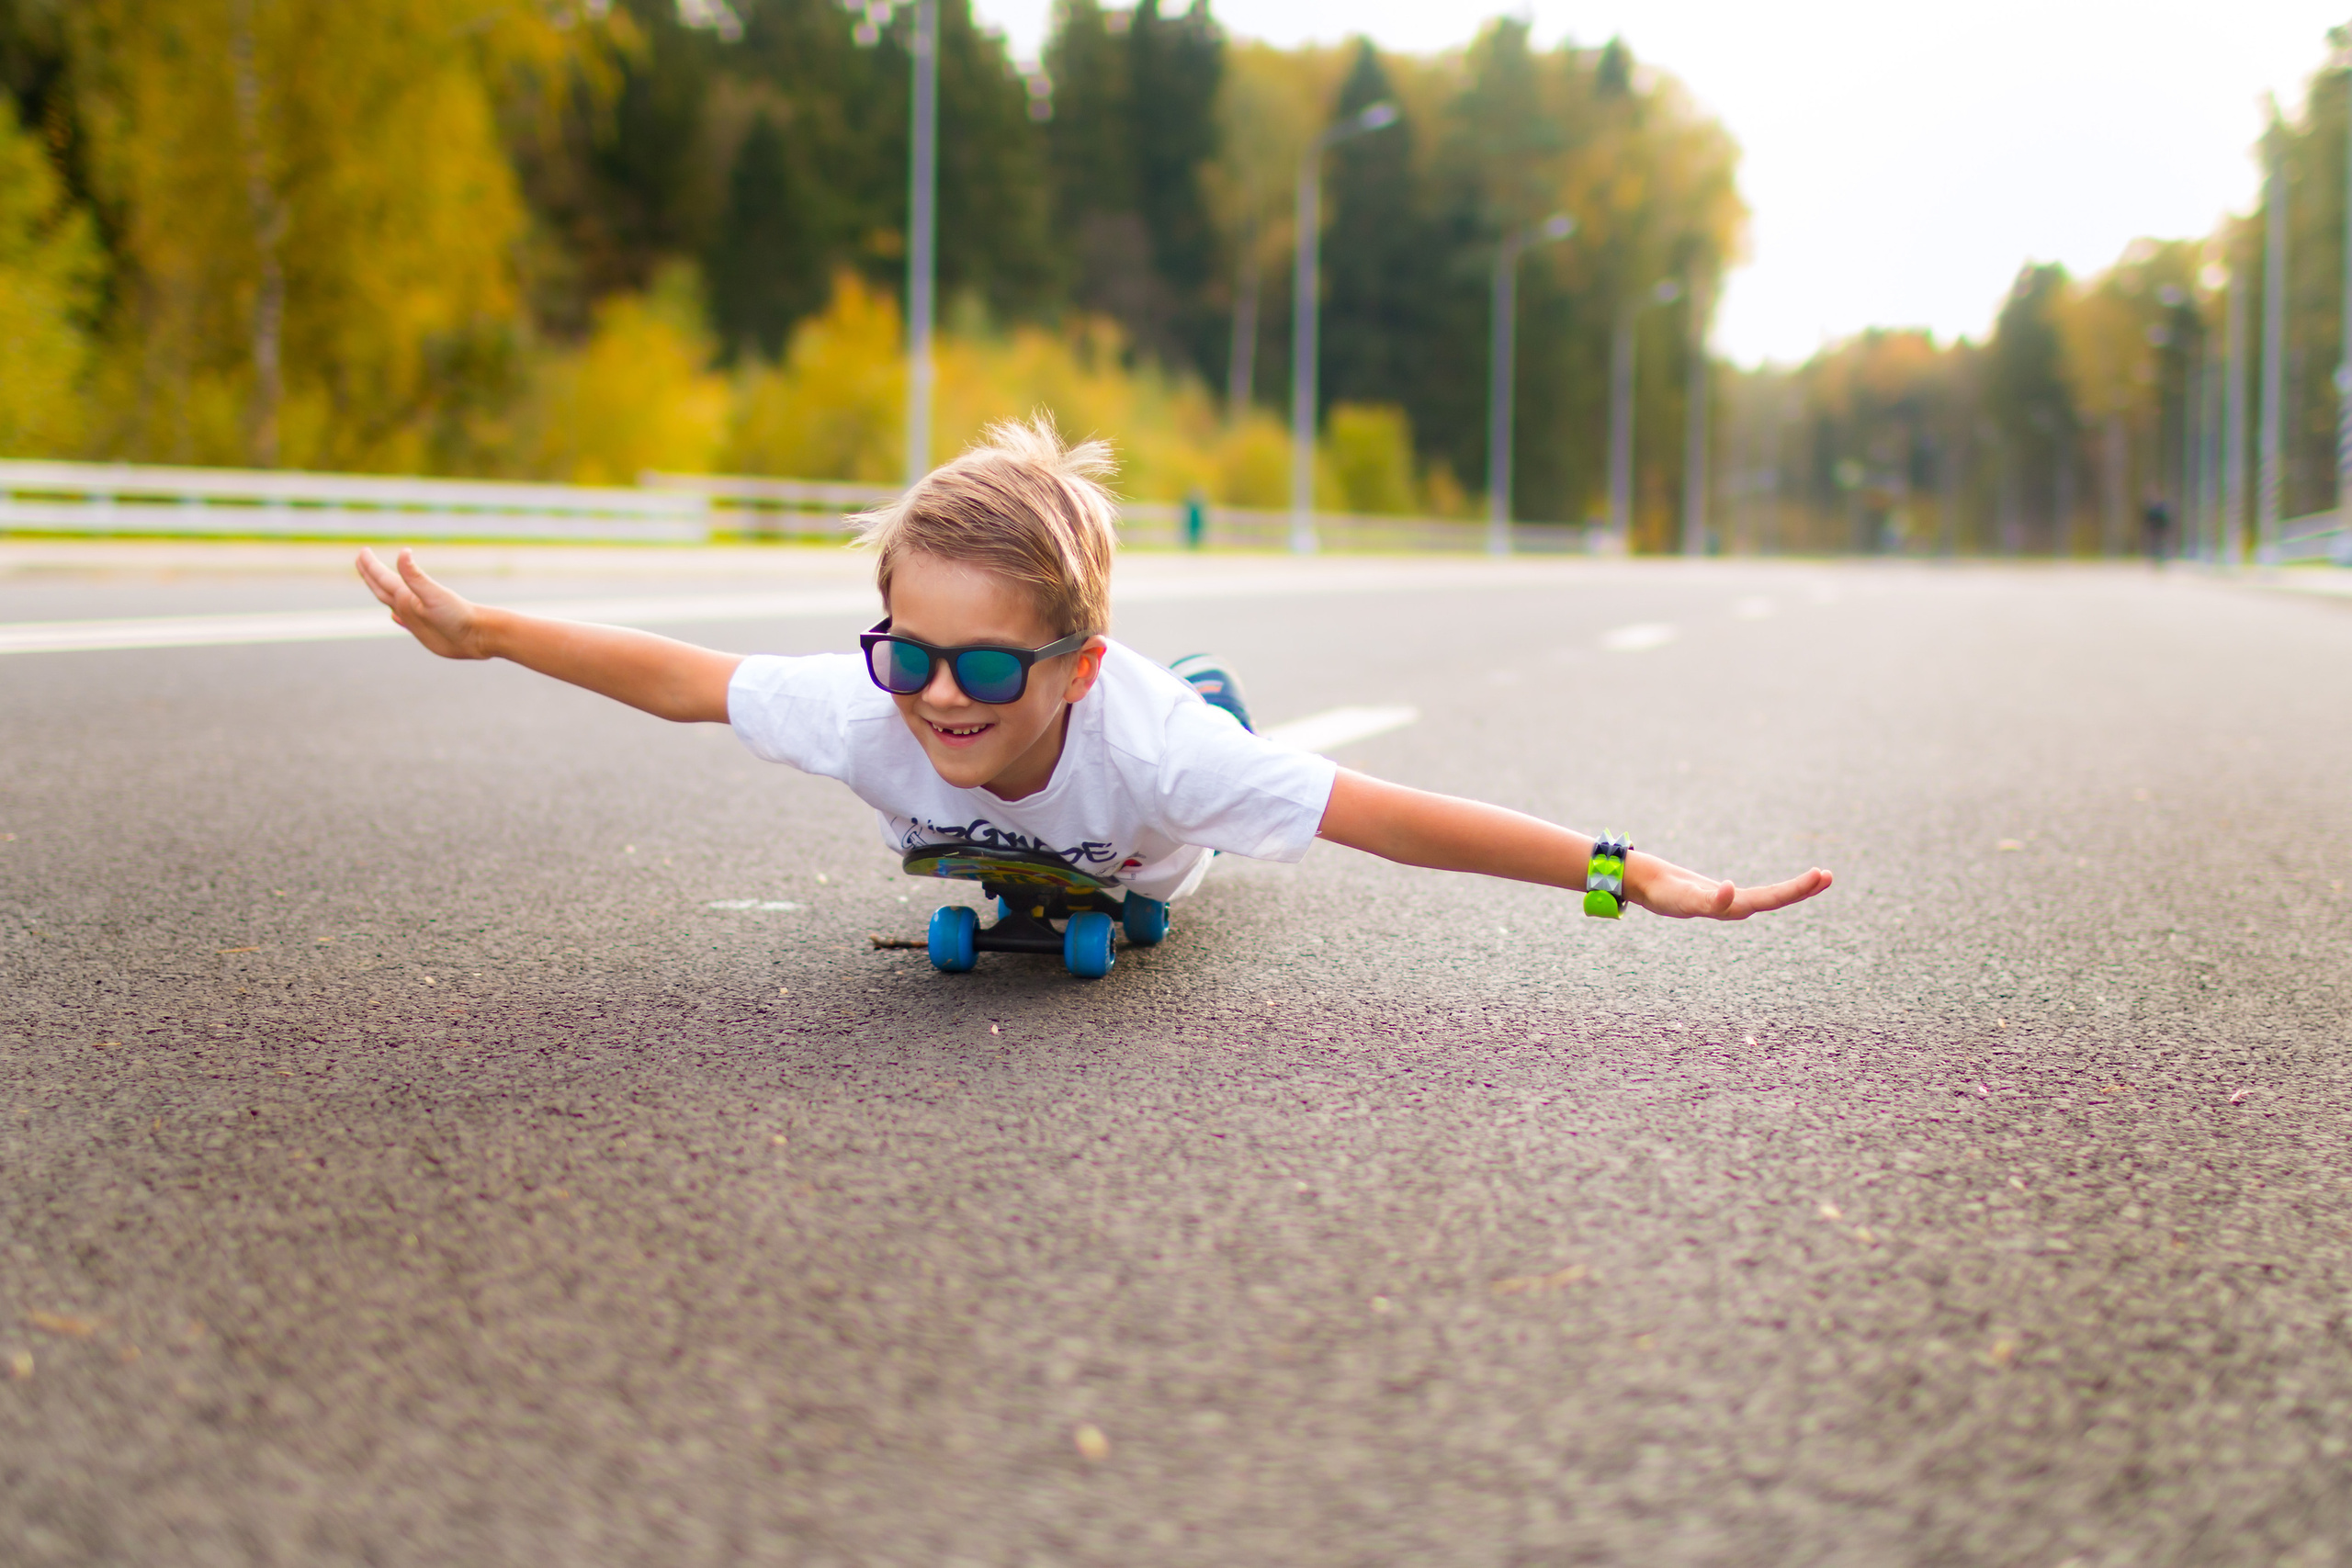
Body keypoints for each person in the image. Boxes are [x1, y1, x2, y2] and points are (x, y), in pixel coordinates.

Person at [354, 417, 1830, 931]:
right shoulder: (869, 701)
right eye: (911, 652)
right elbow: (684, 677)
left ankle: (1198, 680)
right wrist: (484, 635)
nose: (937, 696)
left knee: (1211, 740)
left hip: (1142, 839)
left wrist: (1631, 875)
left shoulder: (1156, 752)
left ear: (1072, 665)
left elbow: (1384, 818)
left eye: (986, 663)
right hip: (1049, 823)